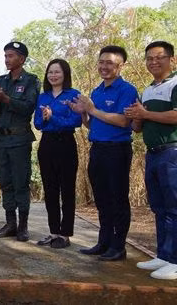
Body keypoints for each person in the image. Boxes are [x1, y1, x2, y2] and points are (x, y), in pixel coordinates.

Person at [69, 45, 137, 261]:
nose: (104, 66)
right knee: (102, 198)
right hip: (97, 149)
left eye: (109, 63)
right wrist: (83, 115)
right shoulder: (97, 91)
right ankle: (104, 241)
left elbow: (123, 121)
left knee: (117, 198)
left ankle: (118, 246)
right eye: (101, 62)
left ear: (120, 65)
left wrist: (92, 109)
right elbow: (95, 125)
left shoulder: (127, 90)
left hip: (117, 150)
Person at [126, 41, 177, 279]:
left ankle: (175, 261)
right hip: (153, 152)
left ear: (172, 60)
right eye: (149, 58)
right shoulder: (147, 89)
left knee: (174, 207)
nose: (153, 62)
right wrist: (137, 117)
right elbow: (139, 127)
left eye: (159, 57)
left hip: (172, 152)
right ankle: (164, 255)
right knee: (159, 207)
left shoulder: (175, 84)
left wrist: (145, 113)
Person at [0, 41, 40, 242]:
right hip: (1, 139)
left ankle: (23, 225)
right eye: (5, 56)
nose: (7, 59)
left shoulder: (31, 81)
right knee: (5, 181)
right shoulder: (0, 80)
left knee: (20, 182)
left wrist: (7, 99)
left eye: (10, 56)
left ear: (22, 59)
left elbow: (28, 107)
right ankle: (10, 223)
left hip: (19, 139)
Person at [33, 59, 82, 249]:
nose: (53, 76)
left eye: (57, 72)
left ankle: (65, 234)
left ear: (65, 74)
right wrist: (46, 119)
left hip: (66, 144)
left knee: (67, 190)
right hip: (47, 144)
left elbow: (75, 122)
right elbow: (37, 123)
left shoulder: (73, 95)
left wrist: (54, 117)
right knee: (50, 189)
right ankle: (53, 231)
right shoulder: (43, 97)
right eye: (50, 72)